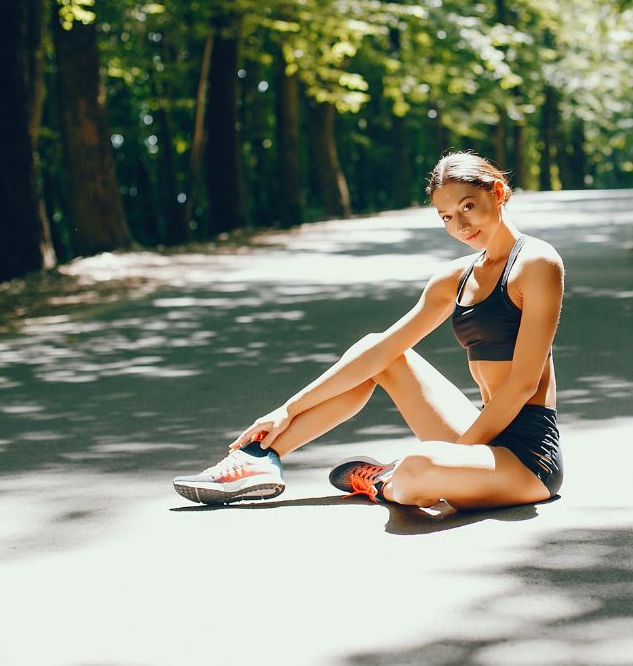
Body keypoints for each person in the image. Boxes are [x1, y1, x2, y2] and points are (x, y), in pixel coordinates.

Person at [173, 151, 564, 510]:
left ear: (497, 192)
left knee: (418, 468)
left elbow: (523, 385)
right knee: (376, 348)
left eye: (468, 207)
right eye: (446, 216)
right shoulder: (455, 279)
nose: (460, 225)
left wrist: (457, 453)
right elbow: (380, 353)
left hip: (527, 456)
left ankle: (384, 479)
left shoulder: (537, 264)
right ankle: (262, 459)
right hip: (480, 433)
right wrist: (285, 410)